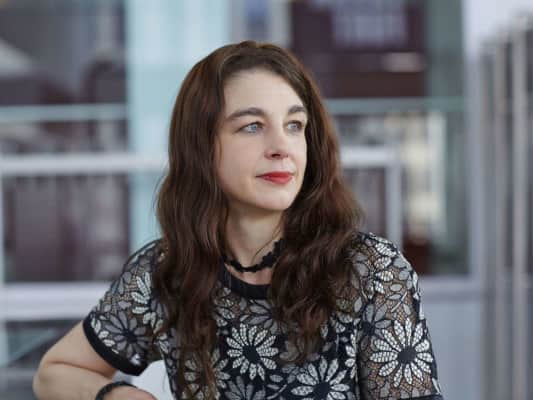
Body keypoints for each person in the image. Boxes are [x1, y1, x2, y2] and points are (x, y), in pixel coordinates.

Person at [33, 41, 444, 400]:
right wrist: (117, 394)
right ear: (202, 146)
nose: (281, 147)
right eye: (252, 127)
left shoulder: (370, 270)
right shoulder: (166, 273)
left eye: (294, 125)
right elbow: (55, 373)